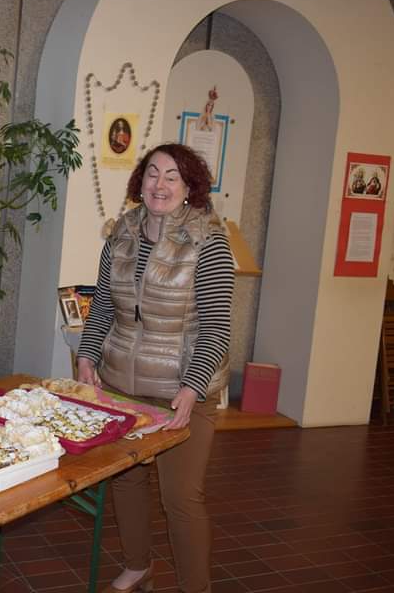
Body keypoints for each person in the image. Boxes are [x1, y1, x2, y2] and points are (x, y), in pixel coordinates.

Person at [76, 143, 235, 593]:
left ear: (189, 187)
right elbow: (103, 306)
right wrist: (87, 356)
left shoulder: (208, 240)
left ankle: (195, 587)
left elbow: (217, 327)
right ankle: (138, 566)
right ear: (140, 181)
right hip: (121, 382)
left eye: (171, 176)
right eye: (152, 173)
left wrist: (192, 386)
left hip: (180, 389)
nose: (159, 185)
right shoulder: (121, 234)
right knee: (127, 481)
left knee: (181, 497)